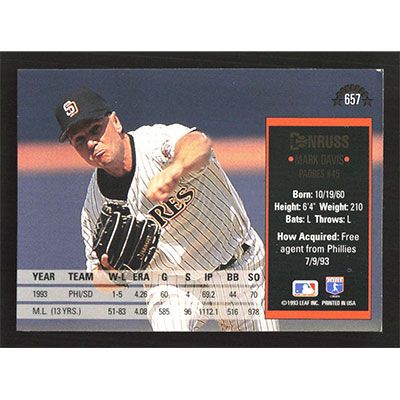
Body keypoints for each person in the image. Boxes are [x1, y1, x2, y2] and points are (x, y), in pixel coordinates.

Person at [55, 87, 279, 332]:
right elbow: (97, 277)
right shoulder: (94, 206)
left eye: (95, 129)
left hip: (239, 266)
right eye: (79, 140)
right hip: (174, 285)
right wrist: (112, 274)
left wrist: (175, 168)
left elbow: (199, 143)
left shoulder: (154, 145)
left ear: (116, 122)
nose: (91, 142)